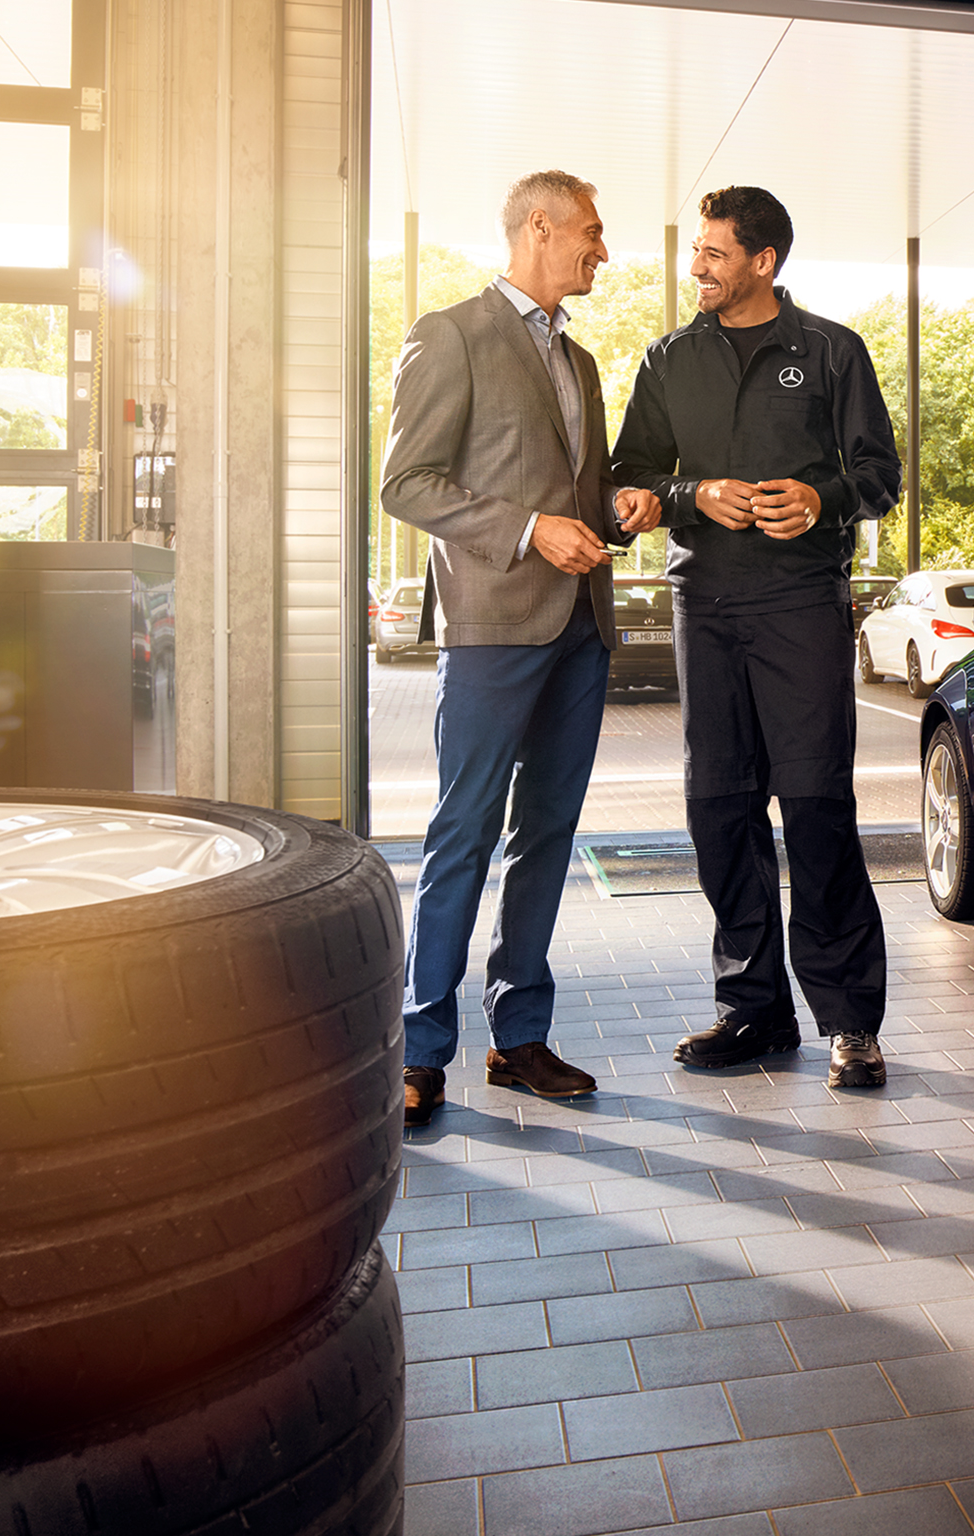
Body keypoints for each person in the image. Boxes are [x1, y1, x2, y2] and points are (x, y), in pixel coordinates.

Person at [381, 170, 663, 1127]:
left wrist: (617, 511)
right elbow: (406, 484)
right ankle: (420, 1050)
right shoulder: (449, 335)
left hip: (581, 628)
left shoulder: (580, 363)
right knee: (461, 834)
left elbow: (573, 502)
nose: (602, 250)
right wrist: (530, 529)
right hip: (494, 624)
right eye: (590, 230)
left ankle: (518, 1038)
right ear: (538, 227)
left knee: (546, 837)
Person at [611, 186, 902, 1088]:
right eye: (695, 251)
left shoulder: (830, 353)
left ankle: (850, 1021)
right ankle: (754, 1011)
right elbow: (629, 476)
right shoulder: (667, 360)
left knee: (816, 809)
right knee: (719, 811)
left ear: (763, 263)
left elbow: (880, 474)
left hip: (803, 606)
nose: (694, 266)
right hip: (706, 608)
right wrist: (692, 495)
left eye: (712, 252)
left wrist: (824, 500)